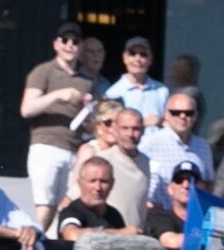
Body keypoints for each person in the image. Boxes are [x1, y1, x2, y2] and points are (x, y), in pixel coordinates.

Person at [20, 22, 91, 232]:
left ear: (81, 46)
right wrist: (57, 95)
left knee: (67, 207)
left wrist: (88, 112)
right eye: (65, 40)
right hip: (46, 146)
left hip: (74, 150)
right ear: (56, 44)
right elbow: (26, 109)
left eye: (75, 41)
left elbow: (89, 123)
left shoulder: (87, 79)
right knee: (45, 207)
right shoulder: (43, 71)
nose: (70, 45)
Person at [56, 156, 131, 250]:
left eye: (104, 181)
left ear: (112, 184)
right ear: (80, 183)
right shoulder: (72, 212)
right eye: (92, 181)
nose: (98, 187)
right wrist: (119, 234)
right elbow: (71, 235)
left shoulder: (114, 215)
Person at [141, 90, 210, 208]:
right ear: (166, 115)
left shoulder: (203, 146)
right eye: (176, 112)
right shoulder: (149, 143)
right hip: (159, 217)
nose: (182, 116)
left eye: (189, 113)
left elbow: (207, 183)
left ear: (196, 116)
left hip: (192, 219)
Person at [98, 106, 152, 230]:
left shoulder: (146, 162)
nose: (130, 134)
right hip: (109, 235)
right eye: (125, 128)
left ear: (143, 131)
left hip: (136, 238)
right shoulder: (103, 160)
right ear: (115, 130)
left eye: (136, 129)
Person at [105, 35, 166, 127]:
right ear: (124, 58)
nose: (137, 59)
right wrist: (143, 123)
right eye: (132, 54)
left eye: (143, 54)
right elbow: (110, 126)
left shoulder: (162, 90)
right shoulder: (113, 93)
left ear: (150, 60)